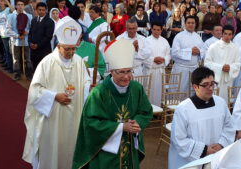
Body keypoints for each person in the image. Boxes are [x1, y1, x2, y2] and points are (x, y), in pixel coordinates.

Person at [22, 16, 91, 169]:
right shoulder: (47, 62)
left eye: (73, 48)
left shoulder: (79, 61)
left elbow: (86, 81)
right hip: (53, 117)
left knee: (71, 149)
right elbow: (35, 91)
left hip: (74, 116)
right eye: (67, 49)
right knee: (53, 150)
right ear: (59, 45)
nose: (71, 52)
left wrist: (88, 87)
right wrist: (54, 96)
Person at [72, 39, 153, 169]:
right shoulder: (99, 93)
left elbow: (145, 111)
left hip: (130, 147)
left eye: (129, 71)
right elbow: (90, 123)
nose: (126, 77)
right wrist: (121, 128)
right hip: (105, 153)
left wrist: (137, 122)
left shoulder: (136, 88)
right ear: (111, 72)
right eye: (121, 72)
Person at [168, 67, 235, 169]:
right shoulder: (184, 109)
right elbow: (179, 139)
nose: (211, 88)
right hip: (191, 161)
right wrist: (204, 150)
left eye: (212, 84)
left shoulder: (221, 103)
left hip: (217, 154)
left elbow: (229, 126)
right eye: (205, 85)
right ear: (195, 87)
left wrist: (221, 144)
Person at [204, 25, 240, 101]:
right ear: (222, 34)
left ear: (233, 35)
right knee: (214, 100)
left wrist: (230, 68)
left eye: (230, 34)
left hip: (228, 80)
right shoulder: (213, 46)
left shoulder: (235, 48)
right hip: (216, 79)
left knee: (226, 100)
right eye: (225, 33)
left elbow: (238, 64)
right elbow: (207, 62)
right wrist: (220, 67)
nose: (227, 36)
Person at [171, 16, 204, 94]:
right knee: (179, 90)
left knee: (192, 91)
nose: (191, 25)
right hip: (181, 69)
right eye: (188, 23)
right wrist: (190, 51)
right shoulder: (179, 36)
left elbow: (203, 50)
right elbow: (175, 52)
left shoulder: (198, 37)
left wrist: (199, 51)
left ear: (195, 24)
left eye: (193, 23)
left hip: (194, 68)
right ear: (185, 24)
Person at [144, 22, 170, 106]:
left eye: (158, 30)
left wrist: (164, 59)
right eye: (154, 29)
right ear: (151, 29)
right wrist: (153, 59)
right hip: (149, 71)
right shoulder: (146, 41)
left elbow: (168, 55)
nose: (156, 31)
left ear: (161, 30)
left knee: (159, 91)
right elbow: (143, 56)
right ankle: (148, 109)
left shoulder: (165, 41)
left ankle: (158, 109)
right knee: (148, 90)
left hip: (160, 71)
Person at [6, 0, 33, 81]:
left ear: (24, 6)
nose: (20, 6)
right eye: (18, 4)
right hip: (16, 41)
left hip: (26, 40)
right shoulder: (11, 16)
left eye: (22, 4)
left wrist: (27, 32)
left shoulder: (29, 16)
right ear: (16, 6)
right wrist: (17, 35)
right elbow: (8, 29)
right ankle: (17, 73)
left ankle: (29, 74)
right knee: (16, 59)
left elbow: (31, 28)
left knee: (27, 58)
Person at [29, 2, 55, 71]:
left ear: (46, 10)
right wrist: (30, 43)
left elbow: (48, 37)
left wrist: (38, 45)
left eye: (43, 10)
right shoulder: (33, 20)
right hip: (34, 51)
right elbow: (30, 33)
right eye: (39, 10)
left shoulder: (50, 22)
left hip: (44, 51)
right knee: (35, 69)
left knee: (44, 70)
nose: (41, 12)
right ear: (36, 10)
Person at [0, 0, 14, 73]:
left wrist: (8, 3)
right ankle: (7, 64)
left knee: (9, 51)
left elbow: (13, 11)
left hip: (8, 33)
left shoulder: (7, 10)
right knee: (5, 50)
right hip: (2, 33)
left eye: (2, 1)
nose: (0, 2)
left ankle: (11, 67)